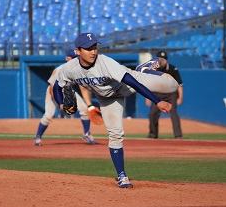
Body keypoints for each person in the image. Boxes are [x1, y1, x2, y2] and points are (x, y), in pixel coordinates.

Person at [52, 32, 179, 188]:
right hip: (108, 98)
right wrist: (61, 104)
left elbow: (132, 82)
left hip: (130, 83)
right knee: (116, 134)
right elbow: (57, 86)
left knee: (172, 85)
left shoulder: (105, 63)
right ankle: (122, 176)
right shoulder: (69, 69)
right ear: (78, 51)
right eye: (87, 48)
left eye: (94, 47)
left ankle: (144, 69)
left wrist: (157, 101)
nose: (93, 51)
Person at [34, 49, 96, 146]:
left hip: (68, 90)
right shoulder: (59, 70)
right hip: (53, 92)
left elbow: (83, 88)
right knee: (48, 115)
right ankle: (38, 137)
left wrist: (90, 106)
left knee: (84, 109)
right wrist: (60, 103)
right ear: (67, 59)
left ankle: (87, 133)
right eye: (74, 58)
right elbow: (52, 89)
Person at [145, 51, 184, 139]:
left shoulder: (173, 69)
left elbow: (179, 85)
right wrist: (147, 97)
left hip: (171, 94)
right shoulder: (153, 70)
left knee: (173, 112)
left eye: (164, 59)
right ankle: (153, 134)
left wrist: (180, 97)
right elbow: (150, 84)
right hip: (158, 94)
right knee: (152, 113)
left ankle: (178, 135)